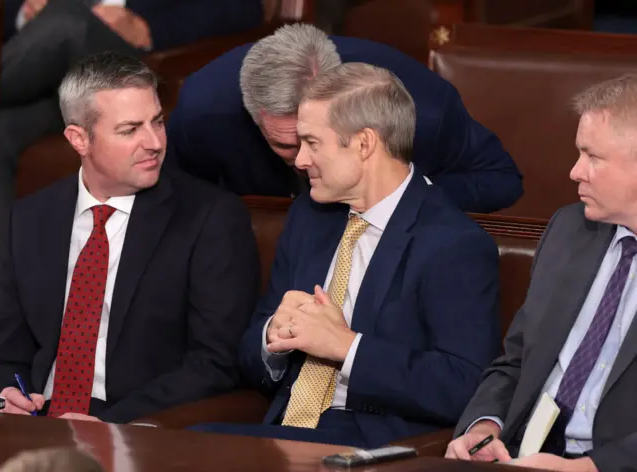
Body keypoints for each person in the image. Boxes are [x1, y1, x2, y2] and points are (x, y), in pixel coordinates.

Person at [191, 62, 501, 448]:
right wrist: (272, 336)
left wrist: (346, 347)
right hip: (285, 432)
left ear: (364, 144)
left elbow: (463, 385)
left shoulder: (453, 243)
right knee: (183, 447)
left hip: (370, 445)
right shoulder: (310, 216)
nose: (299, 160)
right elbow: (249, 353)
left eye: (312, 143)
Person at [0, 52, 259, 423]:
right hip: (38, 417)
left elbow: (215, 363)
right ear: (79, 139)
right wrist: (7, 392)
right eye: (130, 130)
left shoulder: (210, 217)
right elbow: (6, 350)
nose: (153, 142)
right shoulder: (29, 217)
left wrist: (113, 425)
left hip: (137, 420)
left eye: (158, 122)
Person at [445, 74, 637, 472]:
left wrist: (586, 468)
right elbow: (516, 360)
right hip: (523, 457)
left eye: (593, 157)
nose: (575, 172)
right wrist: (484, 425)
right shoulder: (570, 230)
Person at [0, 0, 263, 260]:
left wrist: (149, 27)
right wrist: (23, 10)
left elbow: (245, 7)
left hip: (129, 65)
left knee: (70, 19)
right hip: (41, 73)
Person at [167, 23, 523, 213]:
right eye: (283, 144)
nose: (302, 160)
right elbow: (168, 199)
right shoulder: (205, 112)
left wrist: (399, 196)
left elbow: (501, 180)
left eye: (312, 140)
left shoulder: (421, 109)